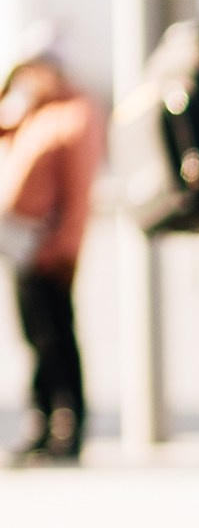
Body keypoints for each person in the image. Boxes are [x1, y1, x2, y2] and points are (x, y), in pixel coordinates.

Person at [0, 26, 103, 465]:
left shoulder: (77, 113)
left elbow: (78, 193)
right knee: (35, 338)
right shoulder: (36, 112)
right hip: (23, 243)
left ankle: (68, 426)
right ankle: (41, 422)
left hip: (49, 246)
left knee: (56, 339)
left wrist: (63, 248)